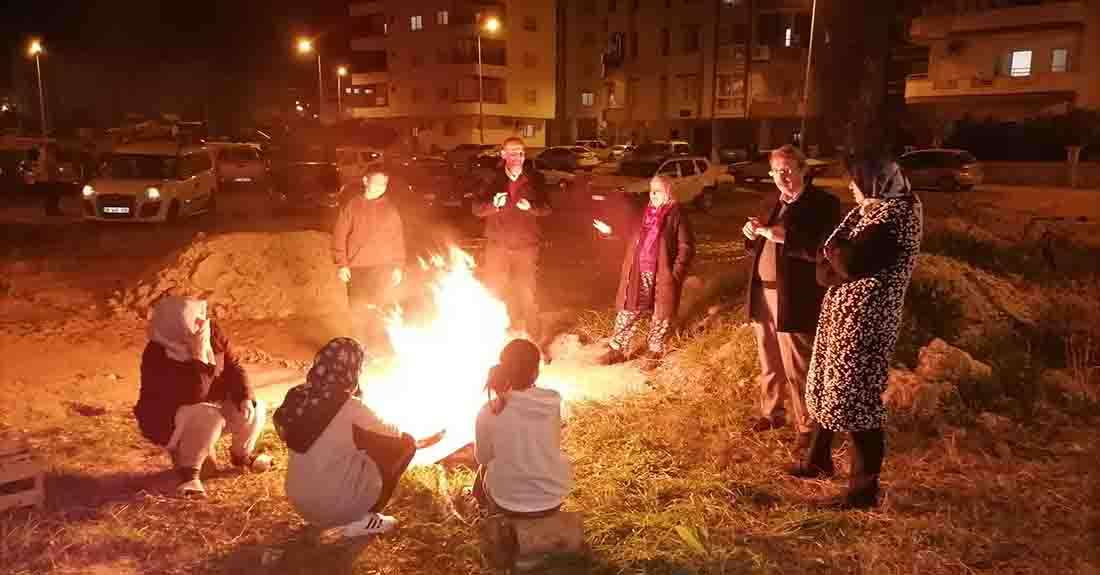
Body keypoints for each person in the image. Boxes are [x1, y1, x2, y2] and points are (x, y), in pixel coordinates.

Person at [792, 155, 923, 509]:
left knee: (856, 398)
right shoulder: (868, 214)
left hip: (868, 322)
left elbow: (848, 262)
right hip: (843, 316)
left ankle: (863, 490)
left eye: (856, 180)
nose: (851, 186)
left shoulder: (895, 218)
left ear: (875, 182)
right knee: (826, 384)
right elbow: (829, 268)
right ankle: (818, 459)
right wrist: (837, 257)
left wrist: (835, 253)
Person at [276, 338, 444, 537]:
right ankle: (364, 517)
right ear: (351, 369)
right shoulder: (350, 407)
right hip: (332, 508)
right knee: (404, 446)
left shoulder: (297, 396)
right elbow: (393, 433)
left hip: (299, 499)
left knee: (359, 444)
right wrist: (414, 440)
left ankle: (334, 510)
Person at [742, 144, 842, 448]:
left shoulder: (822, 204)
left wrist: (785, 237)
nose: (781, 177)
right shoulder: (771, 201)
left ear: (803, 170)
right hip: (763, 292)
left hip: (795, 296)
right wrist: (750, 234)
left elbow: (826, 250)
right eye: (776, 171)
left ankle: (807, 427)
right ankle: (772, 413)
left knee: (798, 364)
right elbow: (759, 243)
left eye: (787, 170)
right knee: (768, 360)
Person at [135, 296, 273, 497]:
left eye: (201, 315)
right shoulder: (157, 354)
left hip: (207, 408)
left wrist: (244, 396)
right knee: (209, 420)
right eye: (193, 318)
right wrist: (199, 356)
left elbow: (234, 367)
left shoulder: (211, 332)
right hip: (173, 420)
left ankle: (242, 455)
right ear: (174, 323)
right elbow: (194, 394)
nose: (201, 322)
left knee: (254, 406)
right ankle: (189, 477)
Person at [597, 176, 694, 366]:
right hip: (639, 270)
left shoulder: (677, 214)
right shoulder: (646, 213)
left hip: (662, 273)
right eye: (651, 190)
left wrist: (675, 273)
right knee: (629, 308)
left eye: (657, 190)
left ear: (668, 191)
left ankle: (654, 351)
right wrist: (610, 231)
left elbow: (686, 247)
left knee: (661, 313)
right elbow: (629, 235)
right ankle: (618, 348)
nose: (653, 194)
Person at [473, 339, 573, 517]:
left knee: (484, 468)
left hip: (507, 502)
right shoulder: (552, 401)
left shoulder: (490, 410)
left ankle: (483, 511)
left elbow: (483, 457)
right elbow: (554, 442)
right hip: (553, 498)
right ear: (535, 372)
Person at [472, 137, 551, 340]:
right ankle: (491, 338)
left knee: (528, 294)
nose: (517, 157)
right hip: (498, 247)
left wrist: (531, 207)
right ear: (503, 155)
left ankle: (535, 341)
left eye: (521, 153)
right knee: (495, 292)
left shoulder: (536, 179)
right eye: (513, 152)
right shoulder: (491, 179)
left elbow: (547, 209)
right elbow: (477, 209)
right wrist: (494, 205)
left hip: (526, 247)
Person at [332, 170, 406, 348]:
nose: (381, 187)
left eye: (384, 184)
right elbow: (339, 235)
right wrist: (342, 264)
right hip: (357, 267)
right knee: (358, 310)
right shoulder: (352, 206)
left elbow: (397, 238)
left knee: (380, 309)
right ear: (365, 181)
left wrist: (398, 266)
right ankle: (358, 349)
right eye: (377, 183)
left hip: (383, 268)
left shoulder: (390, 209)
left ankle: (378, 349)